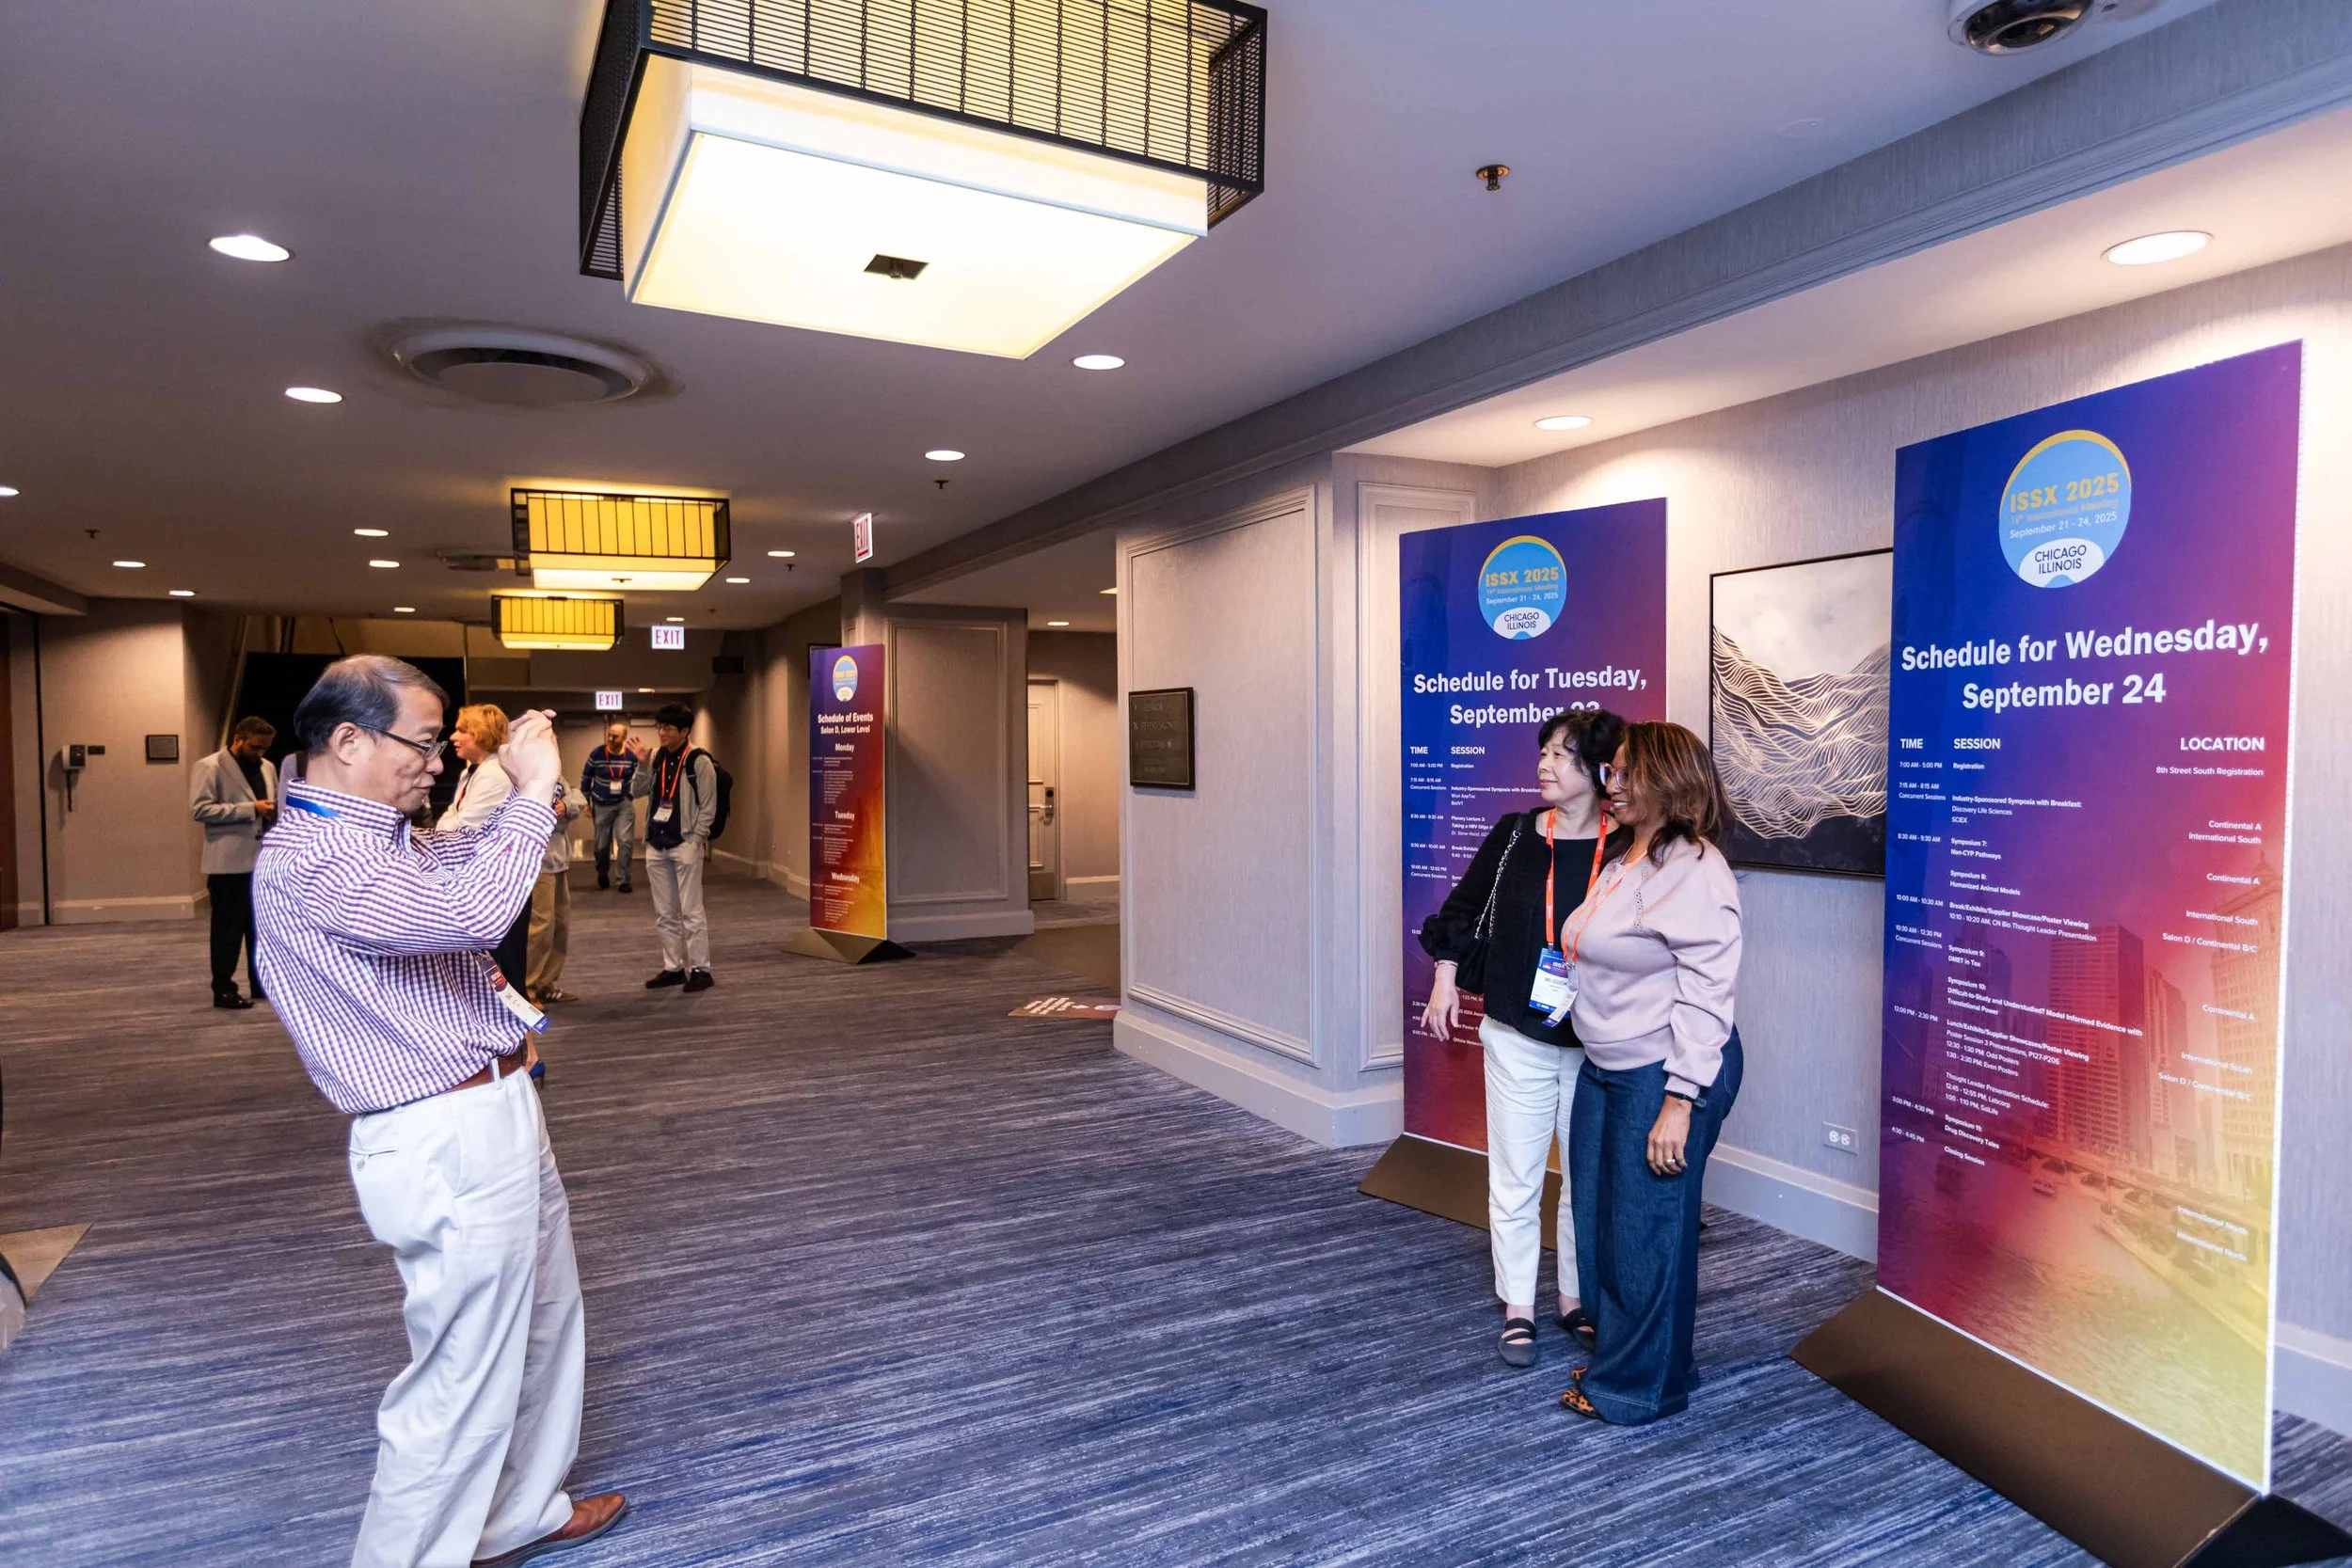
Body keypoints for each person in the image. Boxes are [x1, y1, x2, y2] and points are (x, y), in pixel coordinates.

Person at [250, 654, 626, 1567]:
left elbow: (454, 859)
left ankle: (516, 1511)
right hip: (438, 1129)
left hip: (491, 1104)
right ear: (346, 740)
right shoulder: (318, 854)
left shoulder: (377, 832)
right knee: (460, 1369)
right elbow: (469, 913)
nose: (434, 759)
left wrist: (513, 789)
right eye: (421, 741)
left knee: (541, 1320)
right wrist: (534, 792)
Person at [1419, 708, 1627, 1368]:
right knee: (1516, 1174)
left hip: (1599, 1043)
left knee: (1584, 1179)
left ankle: (1573, 1296)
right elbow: (1460, 909)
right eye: (1542, 752)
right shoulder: (1513, 834)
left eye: (1561, 755)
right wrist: (1444, 983)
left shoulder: (1628, 842)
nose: (1543, 764)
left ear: (1598, 770)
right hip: (1518, 1032)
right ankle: (1517, 1303)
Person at [1556, 720, 1743, 1426]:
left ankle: (1638, 1388)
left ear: (1672, 782)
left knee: (1646, 1228)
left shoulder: (1697, 870)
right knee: (1605, 1220)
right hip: (1608, 1065)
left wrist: (1680, 1100)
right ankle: (1640, 1357)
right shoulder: (1628, 858)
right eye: (1613, 770)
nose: (1614, 782)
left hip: (1665, 1071)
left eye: (1630, 772)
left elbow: (1707, 992)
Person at [190, 716, 280, 1008]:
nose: (260, 753)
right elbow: (201, 809)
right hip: (227, 864)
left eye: (265, 748)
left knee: (261, 928)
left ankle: (260, 983)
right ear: (237, 739)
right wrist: (250, 809)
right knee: (227, 931)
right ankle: (223, 989)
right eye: (255, 747)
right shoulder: (210, 766)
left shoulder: (268, 767)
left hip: (261, 862)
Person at [441, 704, 531, 994]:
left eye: (462, 731)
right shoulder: (472, 771)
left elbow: (460, 828)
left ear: (480, 735)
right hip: (480, 883)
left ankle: (522, 1040)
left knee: (506, 977)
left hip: (497, 887)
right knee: (491, 978)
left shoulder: (495, 774)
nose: (453, 737)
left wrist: (443, 829)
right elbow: (451, 818)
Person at [631, 704, 715, 992]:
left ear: (685, 731)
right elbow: (636, 792)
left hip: (685, 842)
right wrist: (642, 764)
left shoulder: (698, 761)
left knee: (691, 911)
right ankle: (673, 967)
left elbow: (708, 806)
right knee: (665, 912)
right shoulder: (655, 758)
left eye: (667, 728)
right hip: (656, 843)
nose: (662, 732)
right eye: (660, 727)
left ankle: (701, 969)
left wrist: (696, 839)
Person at [528, 780, 578, 1005]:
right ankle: (526, 988)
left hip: (558, 858)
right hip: (537, 860)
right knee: (541, 926)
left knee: (560, 924)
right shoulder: (524, 771)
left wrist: (566, 807)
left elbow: (575, 798)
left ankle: (545, 983)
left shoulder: (556, 773)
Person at [580, 721, 639, 893]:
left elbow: (638, 778)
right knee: (602, 845)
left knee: (625, 842)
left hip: (623, 804)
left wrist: (630, 795)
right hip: (601, 803)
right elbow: (586, 778)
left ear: (624, 738)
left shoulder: (630, 756)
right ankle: (602, 871)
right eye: (610, 735)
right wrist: (586, 802)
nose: (611, 738)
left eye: (616, 736)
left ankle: (623, 880)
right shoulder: (597, 754)